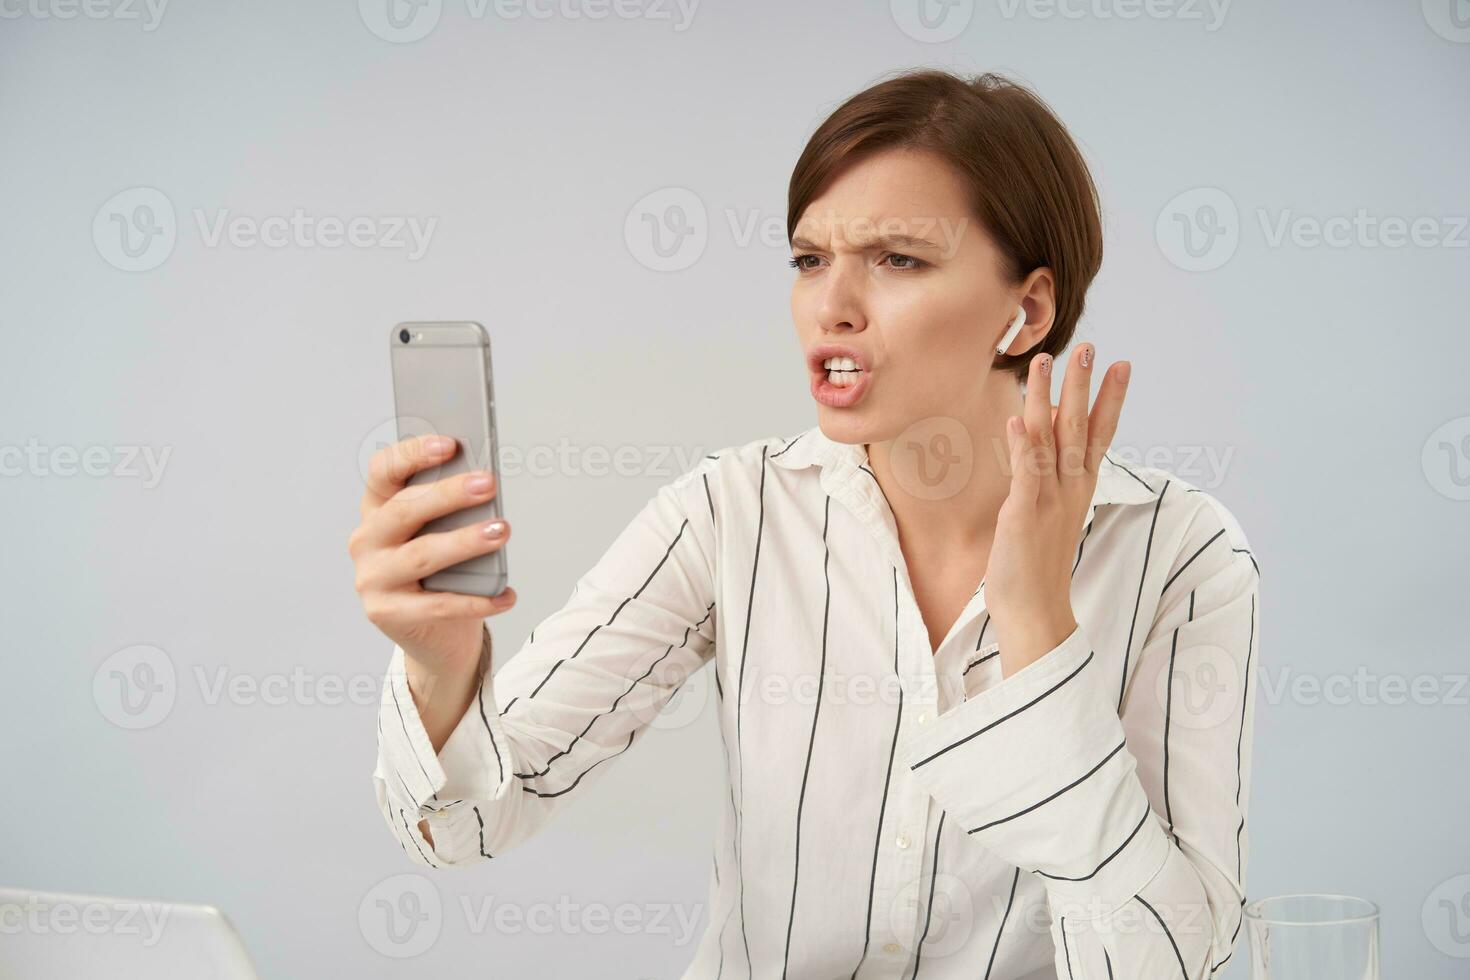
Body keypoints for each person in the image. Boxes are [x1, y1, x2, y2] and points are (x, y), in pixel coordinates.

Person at [349, 68, 1260, 979]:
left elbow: (1166, 962)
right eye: (810, 259)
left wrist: (1038, 634)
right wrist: (440, 664)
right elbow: (464, 825)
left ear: (1025, 311)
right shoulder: (731, 511)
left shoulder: (1181, 555)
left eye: (899, 259)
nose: (832, 305)